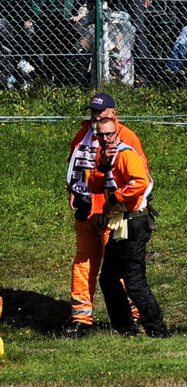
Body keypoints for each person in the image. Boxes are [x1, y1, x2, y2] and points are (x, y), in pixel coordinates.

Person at [63, 93, 148, 337]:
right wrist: (72, 190)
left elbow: (137, 179)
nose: (96, 116)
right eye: (93, 111)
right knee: (83, 263)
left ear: (113, 112)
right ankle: (81, 319)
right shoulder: (82, 133)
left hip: (112, 213)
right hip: (85, 209)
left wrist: (108, 206)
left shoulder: (127, 137)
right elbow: (75, 165)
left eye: (101, 112)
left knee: (116, 266)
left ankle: (131, 315)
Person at [86, 115, 167, 337]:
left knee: (134, 281)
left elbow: (140, 181)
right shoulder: (104, 156)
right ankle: (125, 329)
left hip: (134, 222)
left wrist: (116, 197)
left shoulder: (125, 154)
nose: (105, 139)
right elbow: (93, 186)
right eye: (100, 135)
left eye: (109, 134)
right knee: (109, 278)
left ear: (117, 134)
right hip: (120, 222)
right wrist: (102, 167)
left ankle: (157, 330)